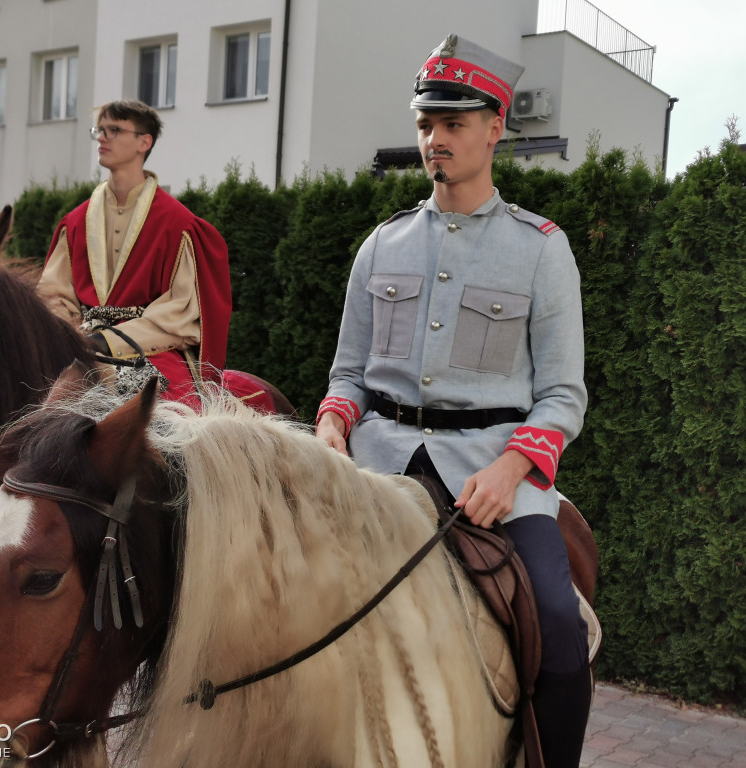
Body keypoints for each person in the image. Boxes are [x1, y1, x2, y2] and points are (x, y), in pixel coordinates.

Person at [315, 35, 591, 767]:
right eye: (424, 125)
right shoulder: (381, 246)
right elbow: (348, 374)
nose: (434, 139)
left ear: (495, 128)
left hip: (493, 474)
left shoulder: (540, 249)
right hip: (378, 468)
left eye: (454, 124)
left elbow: (563, 396)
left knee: (560, 631)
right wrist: (333, 424)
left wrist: (511, 472)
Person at [37, 99, 232, 402]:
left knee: (162, 418)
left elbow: (179, 310)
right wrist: (69, 336)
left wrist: (107, 340)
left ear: (144, 142)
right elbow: (54, 293)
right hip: (78, 344)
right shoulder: (75, 222)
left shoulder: (178, 224)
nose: (102, 137)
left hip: (150, 347)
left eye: (114, 130)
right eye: (99, 130)